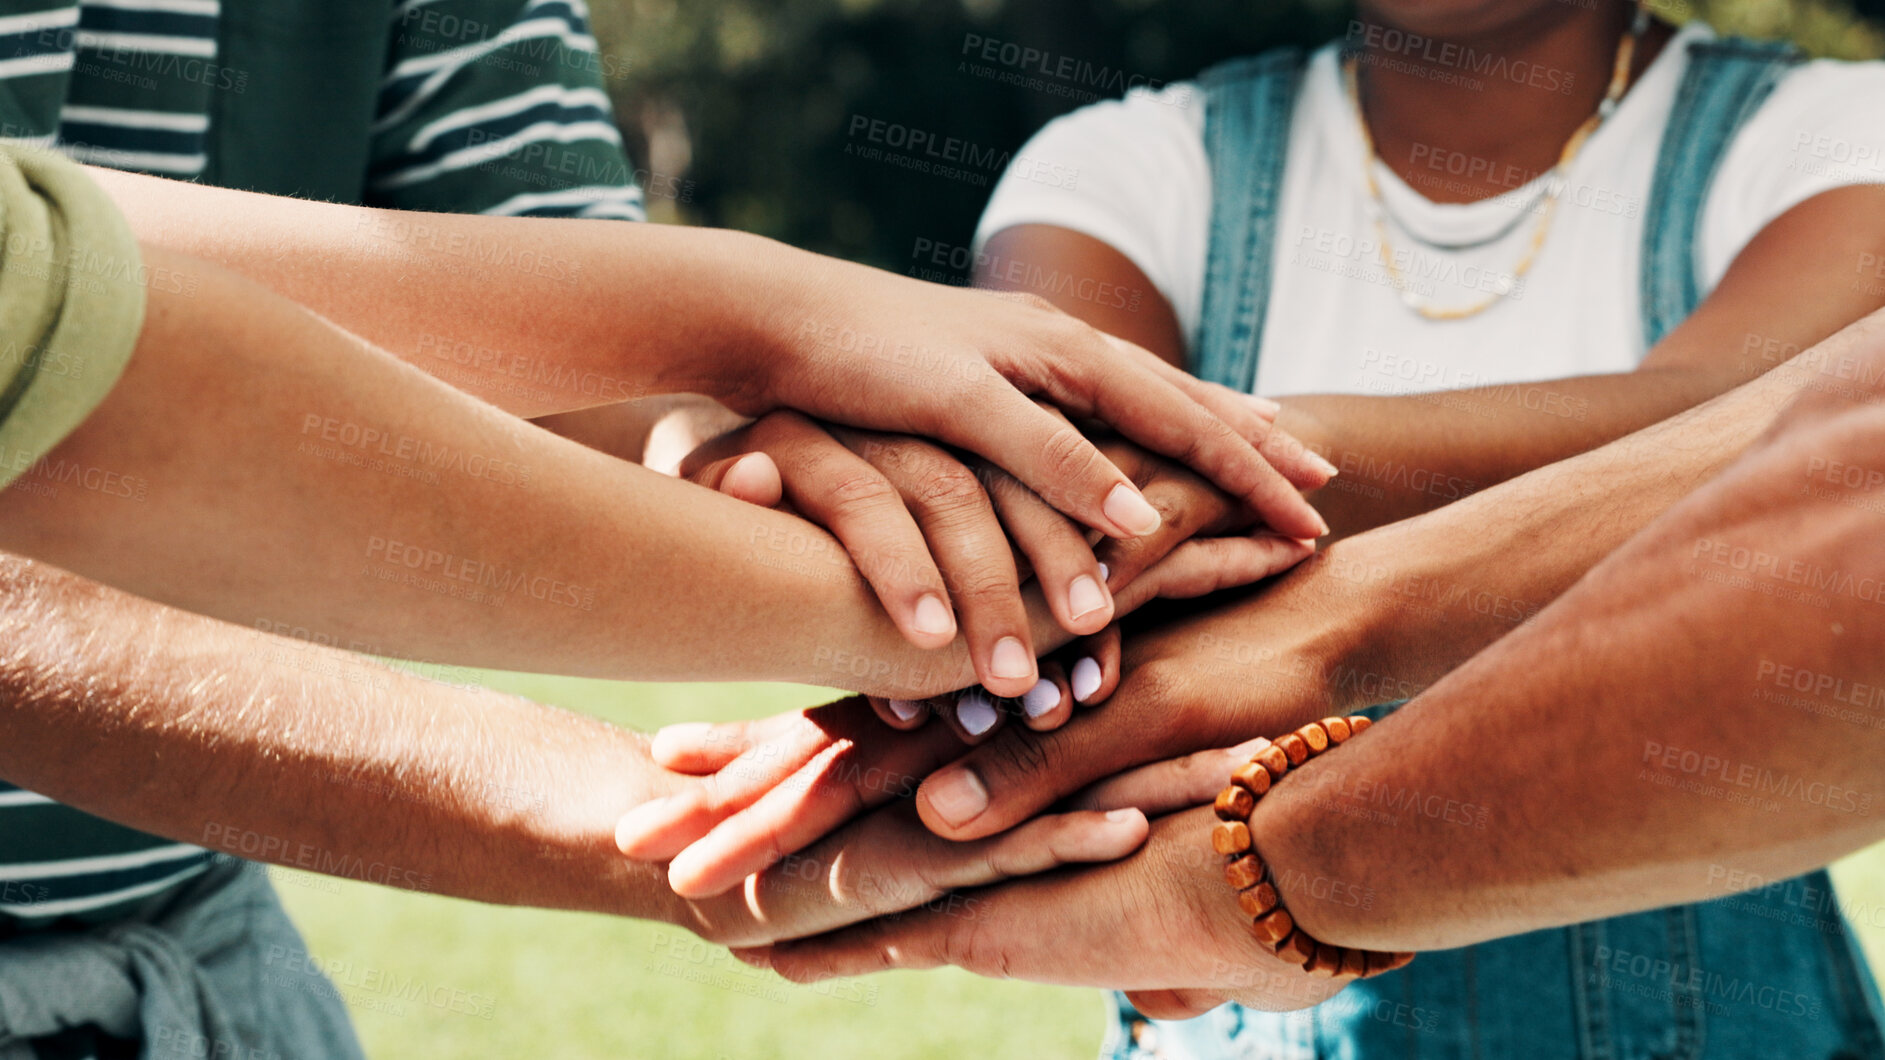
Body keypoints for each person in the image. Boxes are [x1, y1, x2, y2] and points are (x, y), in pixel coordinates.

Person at [0, 0, 1329, 1055]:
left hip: (201, 972)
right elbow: (57, 365)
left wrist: (726, 438)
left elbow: (552, 334)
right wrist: (763, 341)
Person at [632, 0, 1885, 1055]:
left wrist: (1234, 472)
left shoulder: (1834, 132)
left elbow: (1789, 431)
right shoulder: (1125, 166)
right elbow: (1059, 525)